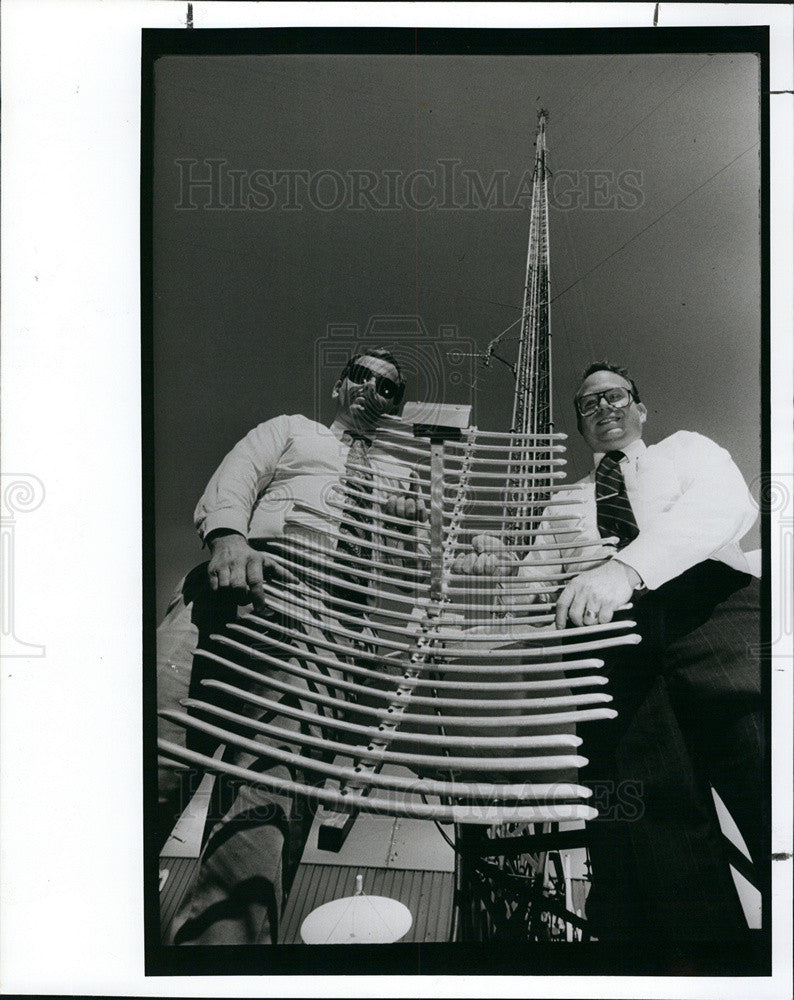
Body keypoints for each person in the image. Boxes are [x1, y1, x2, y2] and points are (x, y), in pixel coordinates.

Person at [453, 362, 763, 942]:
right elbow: (532, 591)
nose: (604, 408)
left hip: (711, 617)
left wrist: (625, 568)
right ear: (580, 424)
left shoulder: (687, 450)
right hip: (610, 654)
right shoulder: (563, 506)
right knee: (657, 833)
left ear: (640, 409)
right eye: (589, 403)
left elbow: (724, 507)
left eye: (616, 396)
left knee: (768, 773)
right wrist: (493, 573)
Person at [156, 349, 426, 944]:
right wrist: (228, 536)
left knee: (269, 791)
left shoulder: (405, 477)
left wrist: (410, 526)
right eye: (359, 375)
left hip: (323, 621)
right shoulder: (289, 432)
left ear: (397, 405)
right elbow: (239, 476)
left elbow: (409, 580)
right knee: (154, 753)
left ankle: (221, 953)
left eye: (387, 387)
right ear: (339, 387)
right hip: (231, 587)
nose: (369, 389)